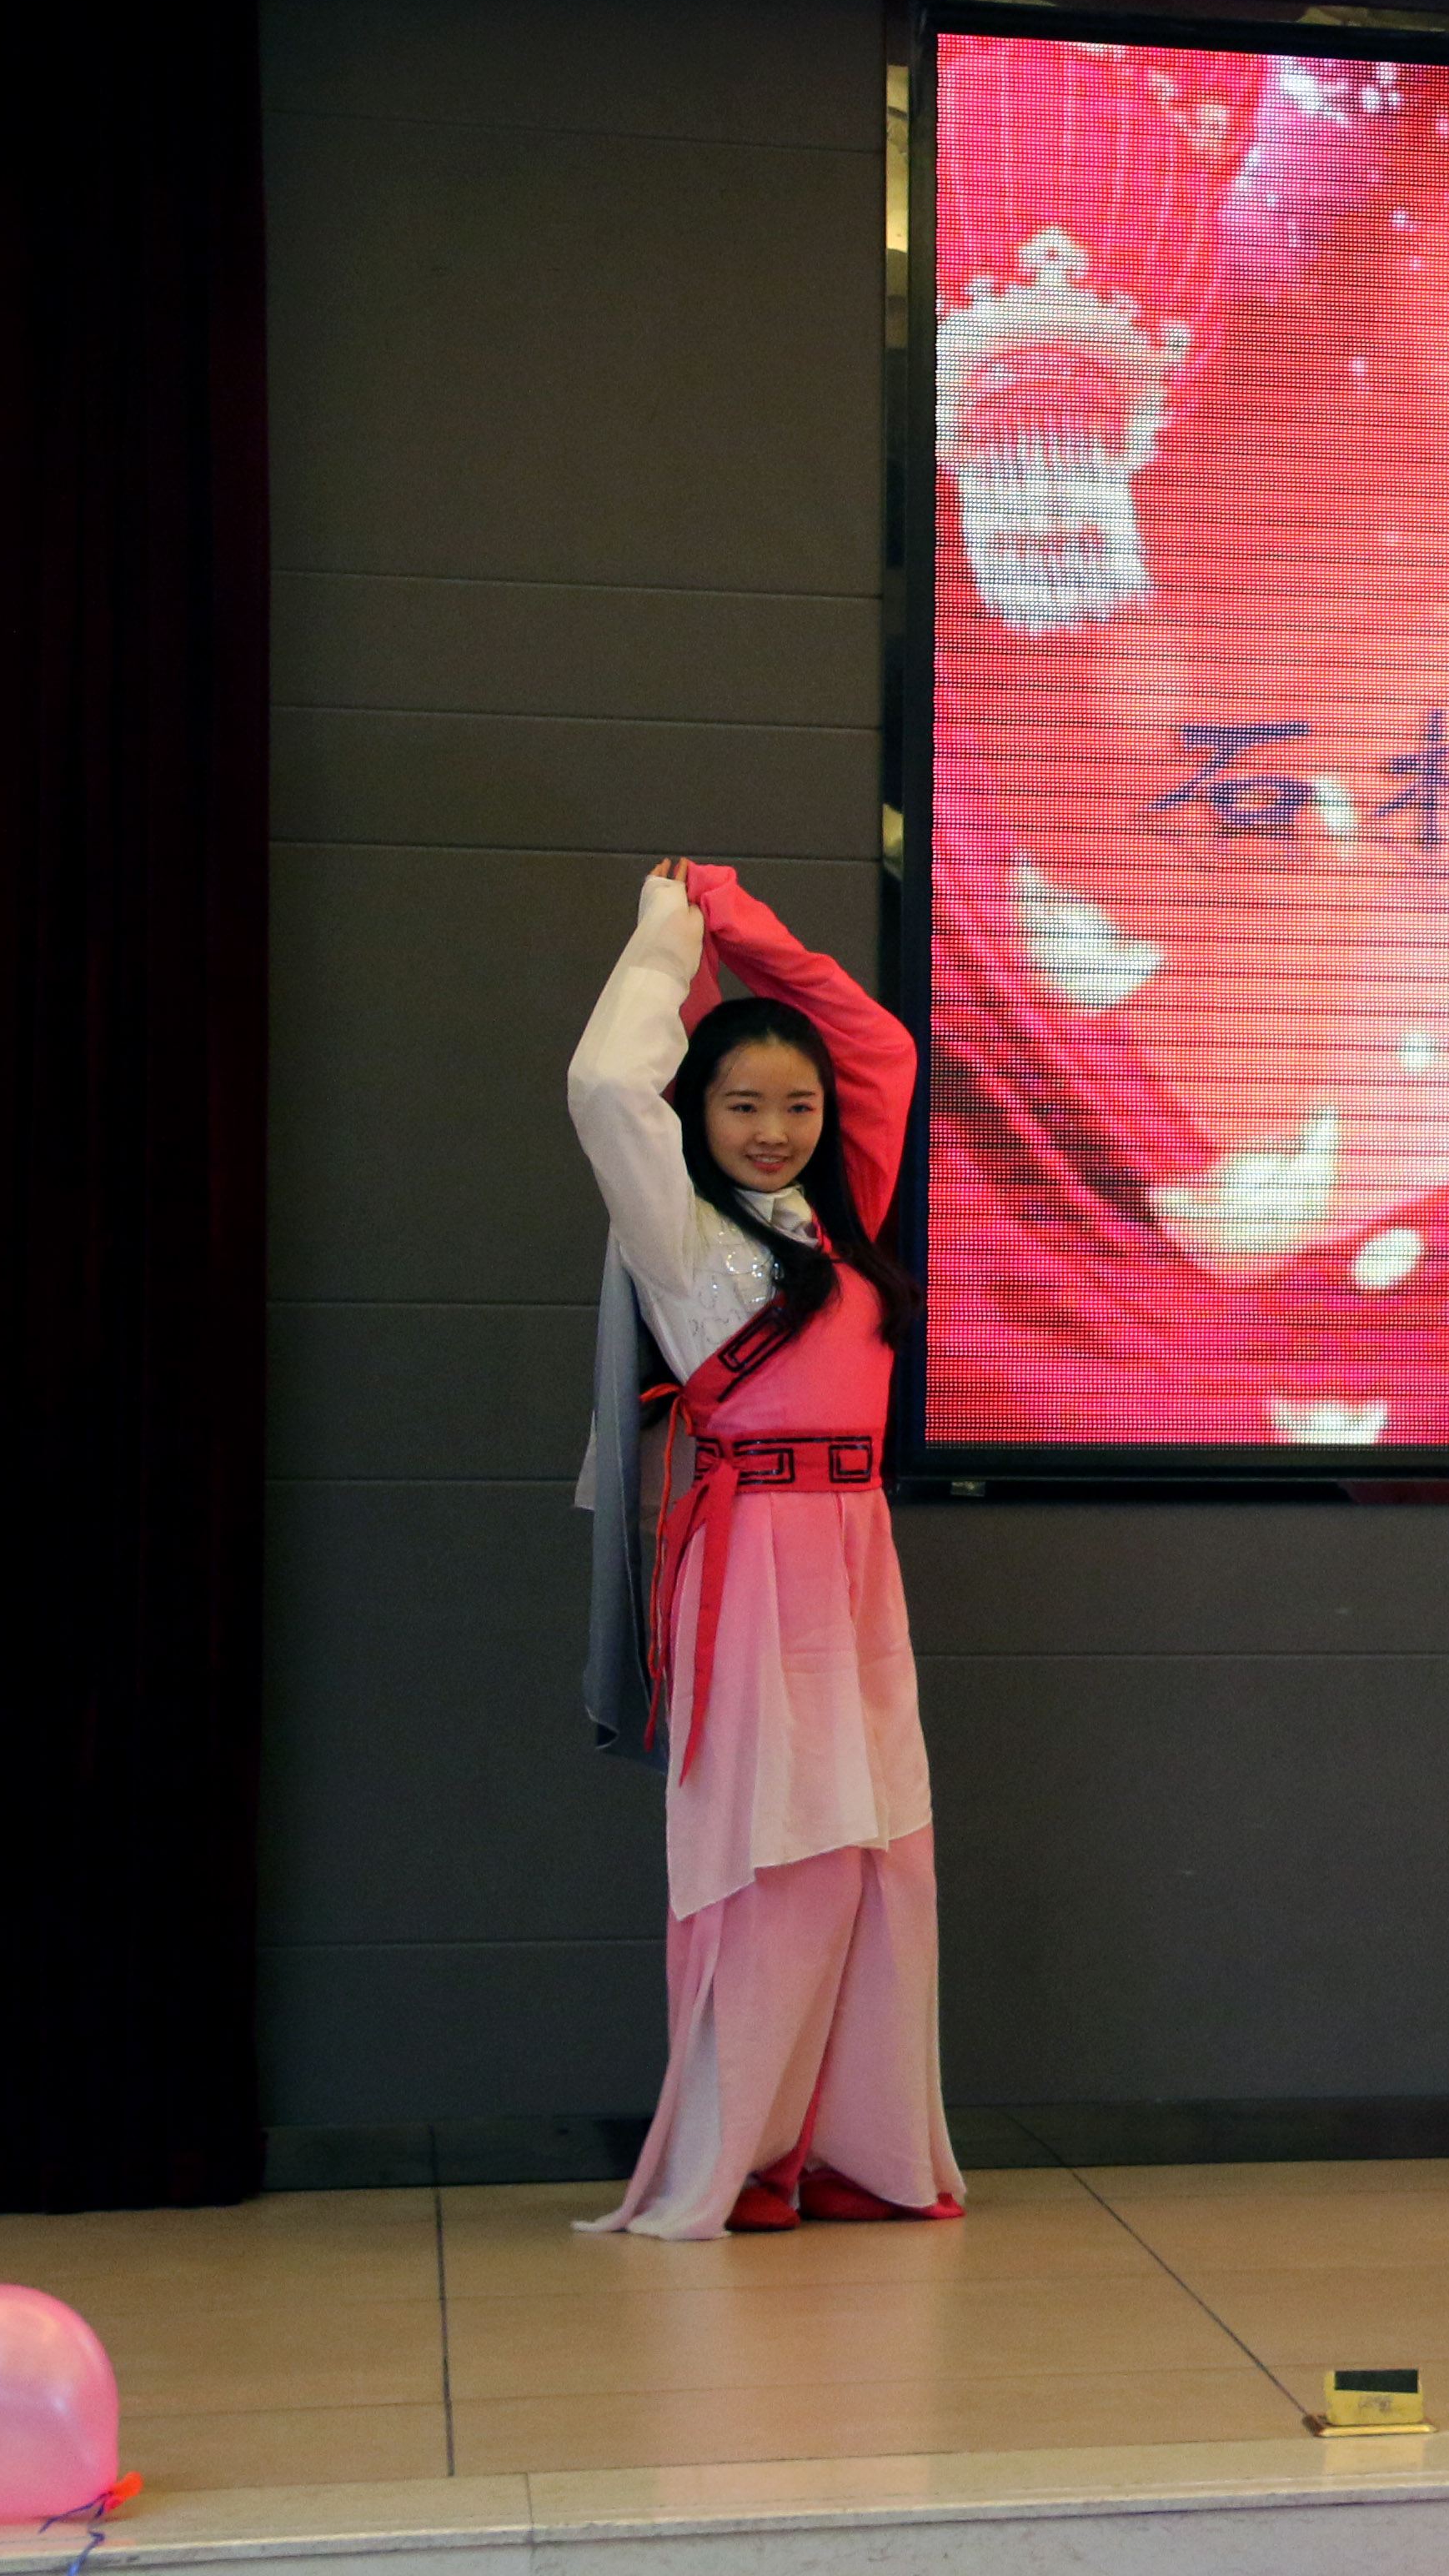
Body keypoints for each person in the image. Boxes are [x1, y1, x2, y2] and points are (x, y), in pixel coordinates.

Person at [565, 860, 965, 2240]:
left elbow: (879, 1045)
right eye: (742, 1105)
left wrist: (749, 926)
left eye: (798, 1106)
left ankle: (862, 2154)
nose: (777, 1129)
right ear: (697, 1114)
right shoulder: (677, 1234)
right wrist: (673, 931)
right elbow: (607, 1081)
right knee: (765, 1857)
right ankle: (741, 2159)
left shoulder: (841, 1218)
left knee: (876, 1854)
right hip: (748, 1568)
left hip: (854, 1564)